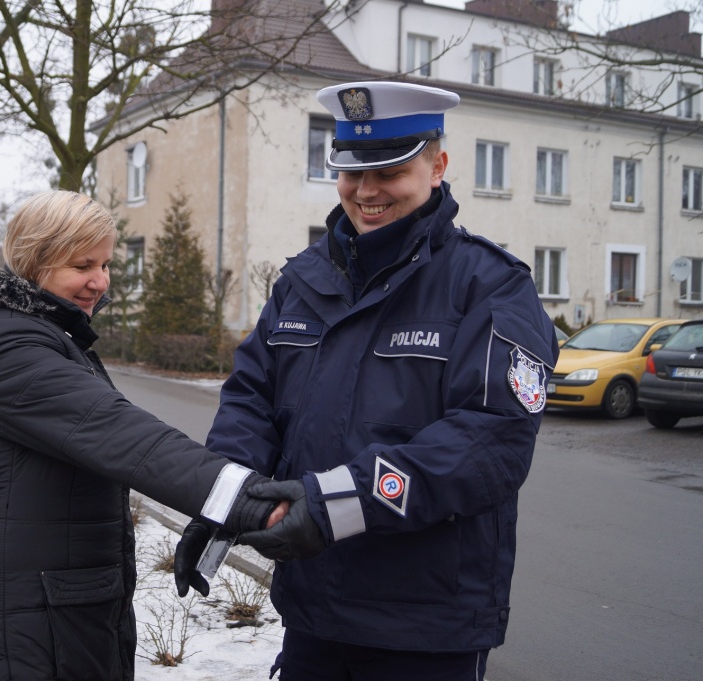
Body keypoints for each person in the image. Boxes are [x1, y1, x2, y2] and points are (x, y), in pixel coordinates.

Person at [175, 81, 559, 680]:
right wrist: (222, 502)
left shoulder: (490, 285)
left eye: (390, 171)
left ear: (438, 167)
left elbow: (492, 441)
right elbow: (251, 402)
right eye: (352, 171)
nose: (366, 191)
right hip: (313, 612)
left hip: (426, 627)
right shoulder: (302, 281)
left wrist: (336, 505)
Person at [0, 190, 295, 681]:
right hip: (15, 625)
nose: (100, 281)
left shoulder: (43, 335)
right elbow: (124, 437)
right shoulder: (3, 344)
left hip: (52, 613)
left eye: (105, 264)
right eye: (82, 266)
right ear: (34, 261)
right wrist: (248, 502)